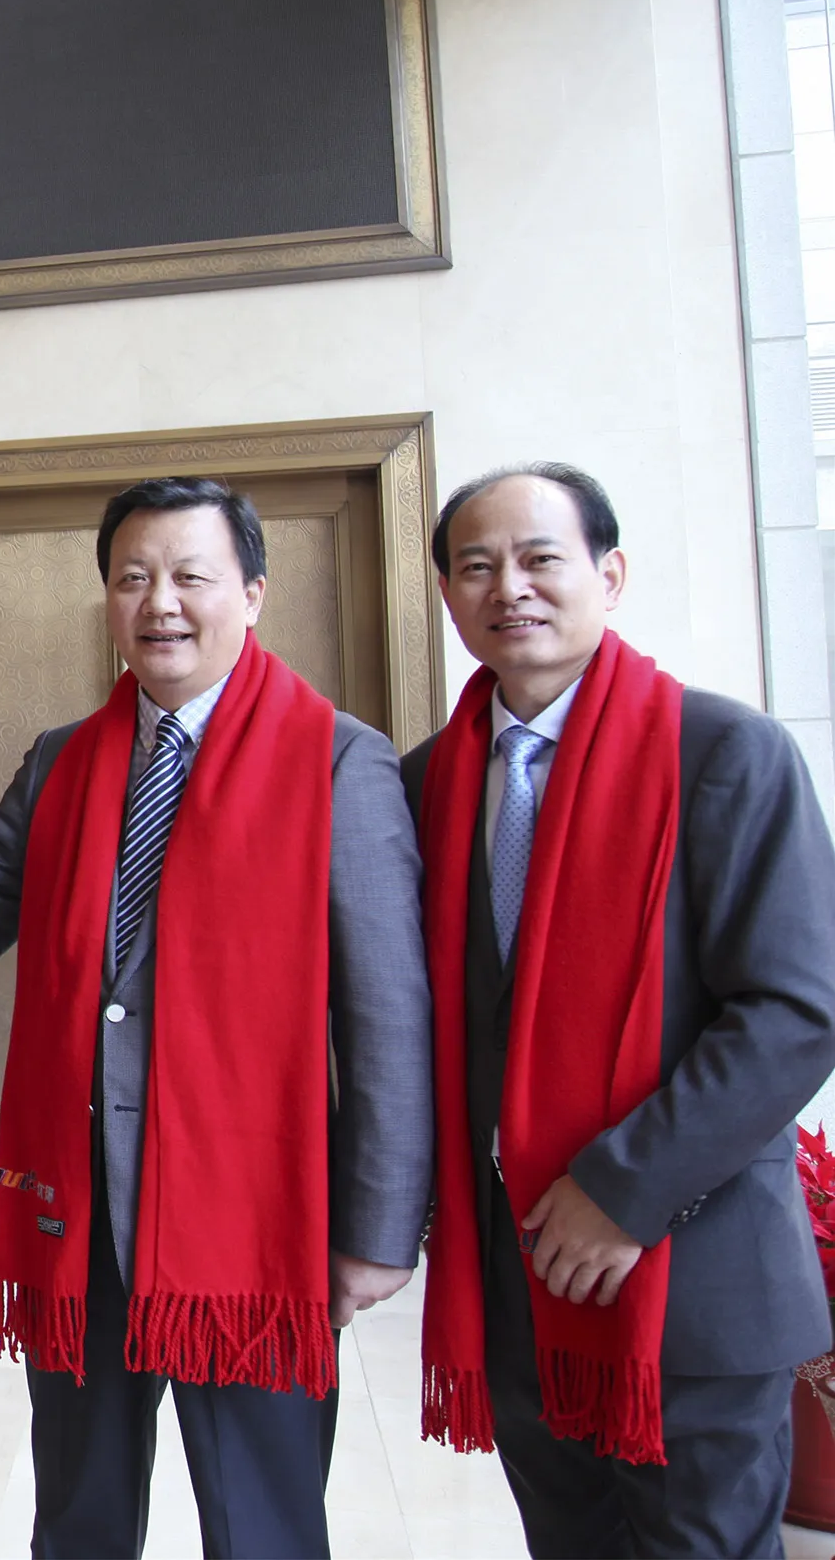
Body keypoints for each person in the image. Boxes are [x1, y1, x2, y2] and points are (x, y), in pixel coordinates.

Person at [0, 477, 432, 1559]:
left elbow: (388, 1016)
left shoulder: (337, 758)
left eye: (190, 576)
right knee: (80, 1520)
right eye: (132, 577)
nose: (160, 602)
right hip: (80, 1210)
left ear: (253, 592)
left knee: (263, 1526)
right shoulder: (64, 759)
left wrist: (377, 1230)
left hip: (250, 1221)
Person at [405, 463, 835, 1556]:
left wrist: (622, 1188)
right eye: (477, 566)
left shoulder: (724, 753)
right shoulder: (426, 783)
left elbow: (795, 1010)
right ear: (448, 596)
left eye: (540, 557)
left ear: (610, 574)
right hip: (518, 1280)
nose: (510, 586)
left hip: (692, 1280)